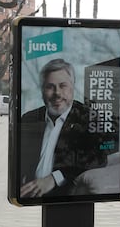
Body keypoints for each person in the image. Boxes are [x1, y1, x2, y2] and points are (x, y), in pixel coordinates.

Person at [20, 58, 114, 198]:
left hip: (65, 195)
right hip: (28, 194)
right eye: (50, 87)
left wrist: (54, 178)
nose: (57, 93)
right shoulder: (29, 119)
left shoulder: (88, 118)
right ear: (42, 90)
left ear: (73, 87)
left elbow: (97, 158)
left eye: (63, 85)